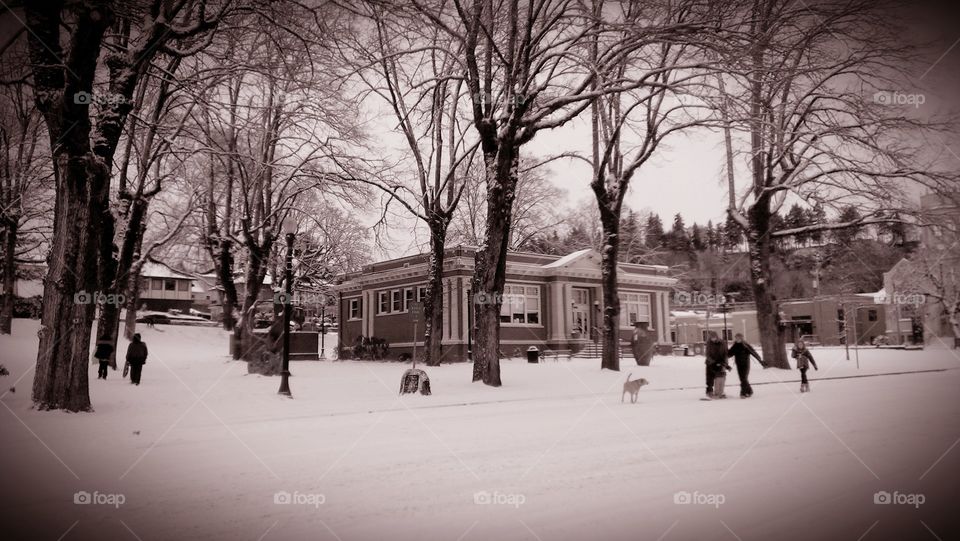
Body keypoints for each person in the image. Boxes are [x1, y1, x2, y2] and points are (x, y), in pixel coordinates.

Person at [727, 333, 765, 398]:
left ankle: (743, 393)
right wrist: (725, 353)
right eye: (736, 338)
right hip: (739, 364)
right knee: (742, 378)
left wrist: (760, 361)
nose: (737, 339)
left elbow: (753, 353)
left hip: (746, 364)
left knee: (744, 378)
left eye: (739, 338)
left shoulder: (745, 345)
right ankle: (749, 391)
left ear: (741, 338)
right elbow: (729, 354)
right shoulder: (735, 346)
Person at [704, 331, 729, 399]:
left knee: (720, 377)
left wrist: (725, 364)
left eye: (714, 337)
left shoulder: (722, 343)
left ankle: (720, 392)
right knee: (709, 378)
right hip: (710, 363)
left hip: (720, 362)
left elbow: (725, 354)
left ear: (717, 336)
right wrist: (713, 362)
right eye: (711, 337)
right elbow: (707, 354)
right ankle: (709, 391)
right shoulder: (709, 343)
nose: (712, 339)